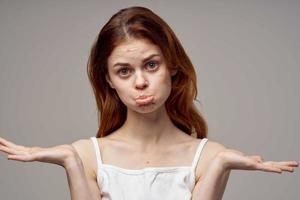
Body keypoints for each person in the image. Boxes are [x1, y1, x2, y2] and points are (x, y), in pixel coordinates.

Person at [0, 6, 298, 200]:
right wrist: (71, 162)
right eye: (124, 71)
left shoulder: (209, 157)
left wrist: (219, 166)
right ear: (109, 80)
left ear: (172, 65)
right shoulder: (86, 156)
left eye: (151, 65)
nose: (140, 82)